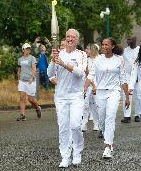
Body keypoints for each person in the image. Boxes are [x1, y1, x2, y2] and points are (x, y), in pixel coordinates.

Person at [47, 29, 87, 168]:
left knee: (75, 125)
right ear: (65, 38)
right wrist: (53, 61)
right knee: (63, 127)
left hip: (76, 96)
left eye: (73, 37)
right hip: (61, 96)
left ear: (77, 40)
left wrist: (63, 64)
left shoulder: (82, 55)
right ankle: (65, 156)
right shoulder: (58, 54)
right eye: (68, 36)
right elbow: (50, 74)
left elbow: (80, 73)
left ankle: (77, 152)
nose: (70, 39)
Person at [84, 38, 130, 159]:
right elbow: (90, 75)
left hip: (114, 92)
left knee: (110, 117)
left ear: (112, 46)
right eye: (103, 44)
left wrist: (127, 97)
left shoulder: (119, 59)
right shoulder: (98, 60)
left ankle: (108, 146)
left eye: (107, 45)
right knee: (102, 120)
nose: (104, 46)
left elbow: (123, 78)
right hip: (100, 92)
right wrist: (84, 88)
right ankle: (105, 134)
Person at [16, 43, 41, 121]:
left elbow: (34, 68)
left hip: (31, 81)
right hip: (22, 81)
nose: (28, 50)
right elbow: (19, 70)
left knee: (31, 99)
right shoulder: (20, 59)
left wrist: (32, 77)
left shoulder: (32, 58)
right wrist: (18, 78)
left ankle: (37, 107)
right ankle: (23, 115)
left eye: (29, 49)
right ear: (23, 50)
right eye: (26, 49)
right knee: (22, 98)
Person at [121, 36, 140, 123]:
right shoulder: (125, 50)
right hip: (127, 75)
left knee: (138, 96)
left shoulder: (139, 49)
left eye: (130, 39)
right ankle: (127, 116)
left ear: (135, 40)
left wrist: (138, 76)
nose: (128, 41)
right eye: (128, 39)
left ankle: (137, 114)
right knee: (127, 95)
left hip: (138, 75)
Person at [81, 44, 100, 132]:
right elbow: (87, 72)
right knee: (85, 104)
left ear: (93, 50)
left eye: (88, 49)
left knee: (95, 105)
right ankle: (84, 123)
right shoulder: (86, 60)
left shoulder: (100, 59)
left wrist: (96, 86)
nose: (86, 50)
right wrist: (93, 85)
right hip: (88, 84)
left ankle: (96, 123)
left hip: (98, 84)